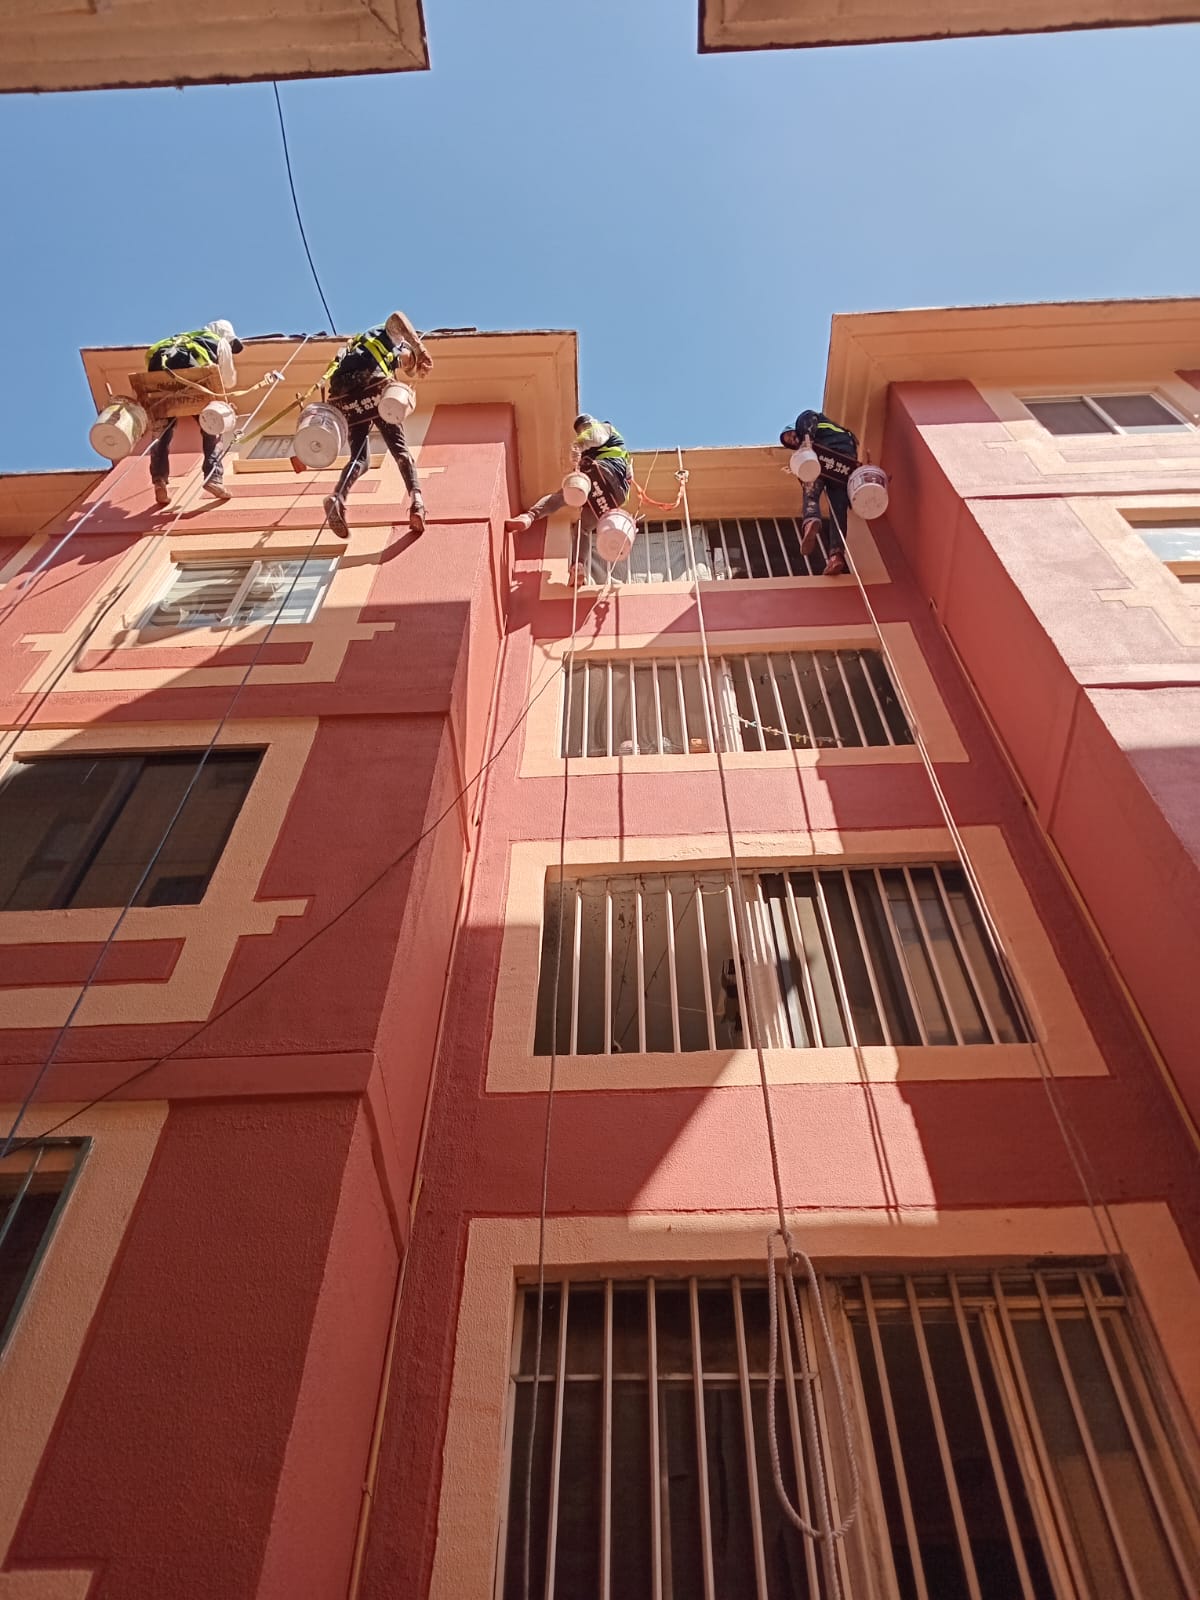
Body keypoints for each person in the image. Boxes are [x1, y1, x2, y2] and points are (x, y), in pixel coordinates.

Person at [322, 313, 433, 539]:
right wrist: (420, 349)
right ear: (405, 347)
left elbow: (401, 366)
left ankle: (338, 497)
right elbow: (397, 316)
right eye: (408, 360)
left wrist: (413, 368)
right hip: (373, 383)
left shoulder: (357, 351)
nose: (406, 364)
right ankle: (417, 504)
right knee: (401, 450)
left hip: (345, 397)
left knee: (360, 460)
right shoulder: (388, 336)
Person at [504, 415, 632, 585]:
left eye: (584, 427)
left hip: (604, 473)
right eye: (580, 430)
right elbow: (629, 476)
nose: (583, 431)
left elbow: (595, 436)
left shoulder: (605, 428)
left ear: (591, 423)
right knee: (584, 528)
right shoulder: (624, 455)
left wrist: (577, 445)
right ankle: (578, 568)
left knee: (563, 495)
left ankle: (529, 516)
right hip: (615, 495)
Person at [146, 320, 243, 507]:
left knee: (161, 431)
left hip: (161, 381)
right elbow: (229, 380)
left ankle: (159, 480)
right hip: (195, 381)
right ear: (225, 334)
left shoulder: (178, 339)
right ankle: (213, 478)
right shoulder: (218, 340)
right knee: (213, 428)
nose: (230, 346)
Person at [780, 408, 859, 577]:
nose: (793, 440)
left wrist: (806, 442)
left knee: (810, 488)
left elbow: (808, 419)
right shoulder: (816, 443)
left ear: (795, 429)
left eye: (791, 436)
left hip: (827, 453)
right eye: (789, 442)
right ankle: (836, 557)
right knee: (838, 510)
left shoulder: (805, 419)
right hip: (843, 464)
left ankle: (810, 521)